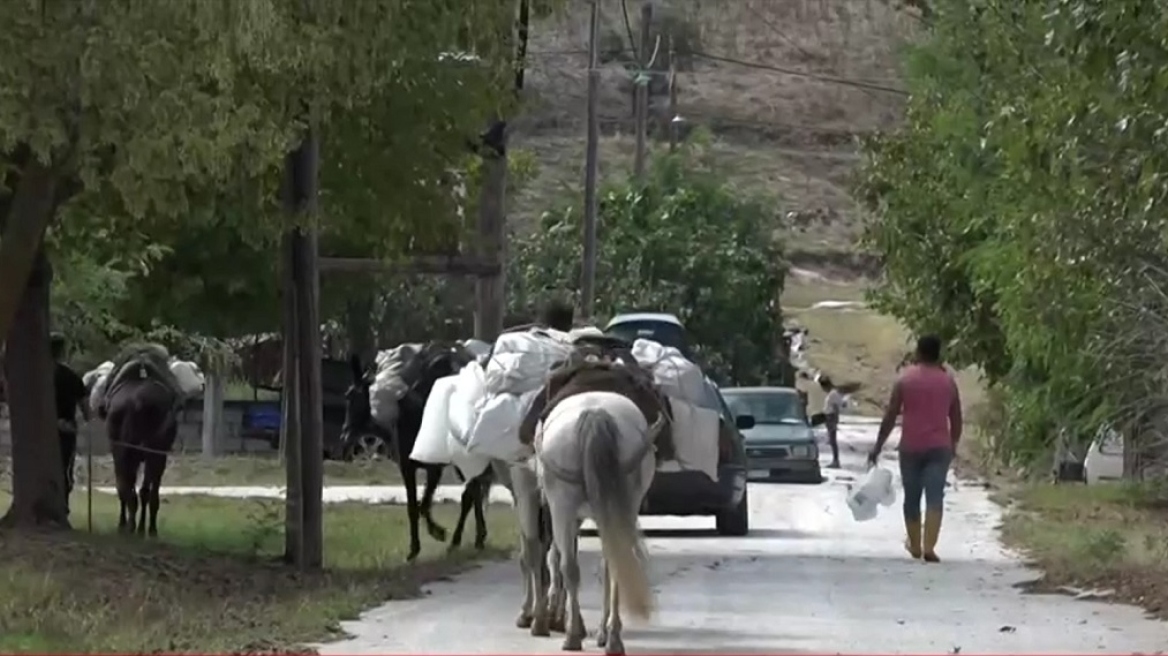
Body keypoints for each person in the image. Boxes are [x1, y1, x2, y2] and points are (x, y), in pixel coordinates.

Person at [868, 334, 962, 563]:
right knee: (935, 496)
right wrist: (954, 445)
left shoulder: (904, 379)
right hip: (940, 447)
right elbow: (956, 418)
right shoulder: (948, 381)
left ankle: (915, 545)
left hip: (911, 447)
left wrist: (878, 446)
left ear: (918, 352)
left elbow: (891, 415)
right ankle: (930, 546)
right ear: (938, 354)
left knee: (912, 497)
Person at [51, 333, 89, 512]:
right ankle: (63, 506)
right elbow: (85, 406)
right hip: (65, 430)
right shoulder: (71, 376)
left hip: (39, 432)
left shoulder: (34, 376)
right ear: (62, 350)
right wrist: (87, 419)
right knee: (64, 469)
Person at [819, 375, 843, 469]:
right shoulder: (830, 393)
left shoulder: (833, 394)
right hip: (829, 417)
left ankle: (836, 461)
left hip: (831, 417)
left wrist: (835, 422)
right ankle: (835, 460)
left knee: (833, 441)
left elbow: (836, 407)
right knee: (831, 440)